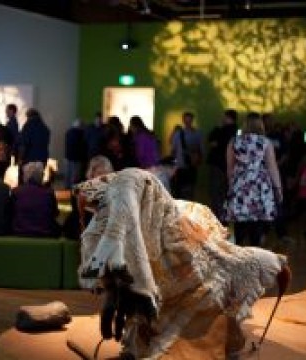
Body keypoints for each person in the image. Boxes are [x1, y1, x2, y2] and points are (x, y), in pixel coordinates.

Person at [73, 168, 290, 359]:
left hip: (185, 243)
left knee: (213, 280)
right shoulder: (111, 218)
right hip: (162, 247)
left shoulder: (153, 203)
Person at [225, 112, 282, 246]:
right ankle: (254, 255)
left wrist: (231, 185)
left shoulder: (234, 141)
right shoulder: (265, 142)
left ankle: (239, 254)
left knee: (239, 223)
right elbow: (272, 167)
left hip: (240, 183)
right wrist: (278, 188)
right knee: (257, 223)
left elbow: (230, 167)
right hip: (259, 185)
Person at [11, 162, 60, 237]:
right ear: (41, 176)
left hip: (20, 232)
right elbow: (55, 213)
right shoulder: (49, 192)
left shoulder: (16, 191)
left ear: (25, 176)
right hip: (45, 233)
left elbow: (11, 212)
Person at [206, 109, 238, 220]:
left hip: (218, 165)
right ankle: (225, 217)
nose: (222, 119)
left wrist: (217, 128)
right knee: (225, 193)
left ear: (228, 118)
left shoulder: (223, 130)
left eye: (224, 117)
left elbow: (211, 141)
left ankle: (218, 219)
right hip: (230, 166)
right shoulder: (237, 131)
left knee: (216, 192)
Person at [170, 112, 204, 200]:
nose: (188, 122)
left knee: (181, 190)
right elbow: (202, 150)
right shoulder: (197, 134)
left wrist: (174, 163)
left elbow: (173, 150)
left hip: (185, 165)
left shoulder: (179, 134)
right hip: (189, 165)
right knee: (188, 189)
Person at [64, 119, 87, 189]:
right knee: (75, 176)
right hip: (77, 158)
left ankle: (66, 189)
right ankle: (72, 191)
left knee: (68, 174)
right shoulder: (81, 133)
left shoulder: (68, 132)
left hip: (68, 156)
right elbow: (83, 147)